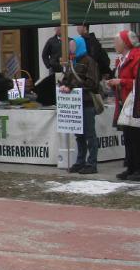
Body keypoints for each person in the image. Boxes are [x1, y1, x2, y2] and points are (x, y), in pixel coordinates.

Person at [60, 35, 101, 174]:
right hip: (76, 104)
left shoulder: (89, 61)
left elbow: (92, 83)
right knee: (79, 135)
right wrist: (63, 85)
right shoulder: (72, 62)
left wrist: (71, 87)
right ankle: (80, 161)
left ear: (79, 46)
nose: (71, 48)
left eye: (73, 46)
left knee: (90, 134)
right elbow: (66, 79)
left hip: (87, 102)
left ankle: (92, 163)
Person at [108, 30, 140, 181]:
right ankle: (131, 167)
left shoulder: (136, 58)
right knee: (127, 137)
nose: (114, 45)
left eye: (117, 42)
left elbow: (137, 82)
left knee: (135, 138)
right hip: (125, 102)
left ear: (125, 43)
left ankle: (137, 169)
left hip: (134, 103)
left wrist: (121, 82)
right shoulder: (121, 59)